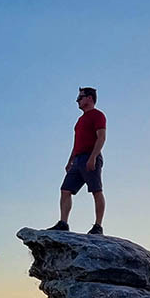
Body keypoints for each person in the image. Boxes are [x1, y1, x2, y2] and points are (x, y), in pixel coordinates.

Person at [48, 87, 106, 235]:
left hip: (90, 157)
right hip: (78, 159)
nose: (77, 101)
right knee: (65, 190)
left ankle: (98, 226)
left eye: (80, 97)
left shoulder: (98, 115)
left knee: (96, 190)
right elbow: (76, 143)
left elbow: (101, 137)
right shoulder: (80, 120)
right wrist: (70, 161)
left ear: (90, 98)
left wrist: (93, 157)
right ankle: (63, 223)